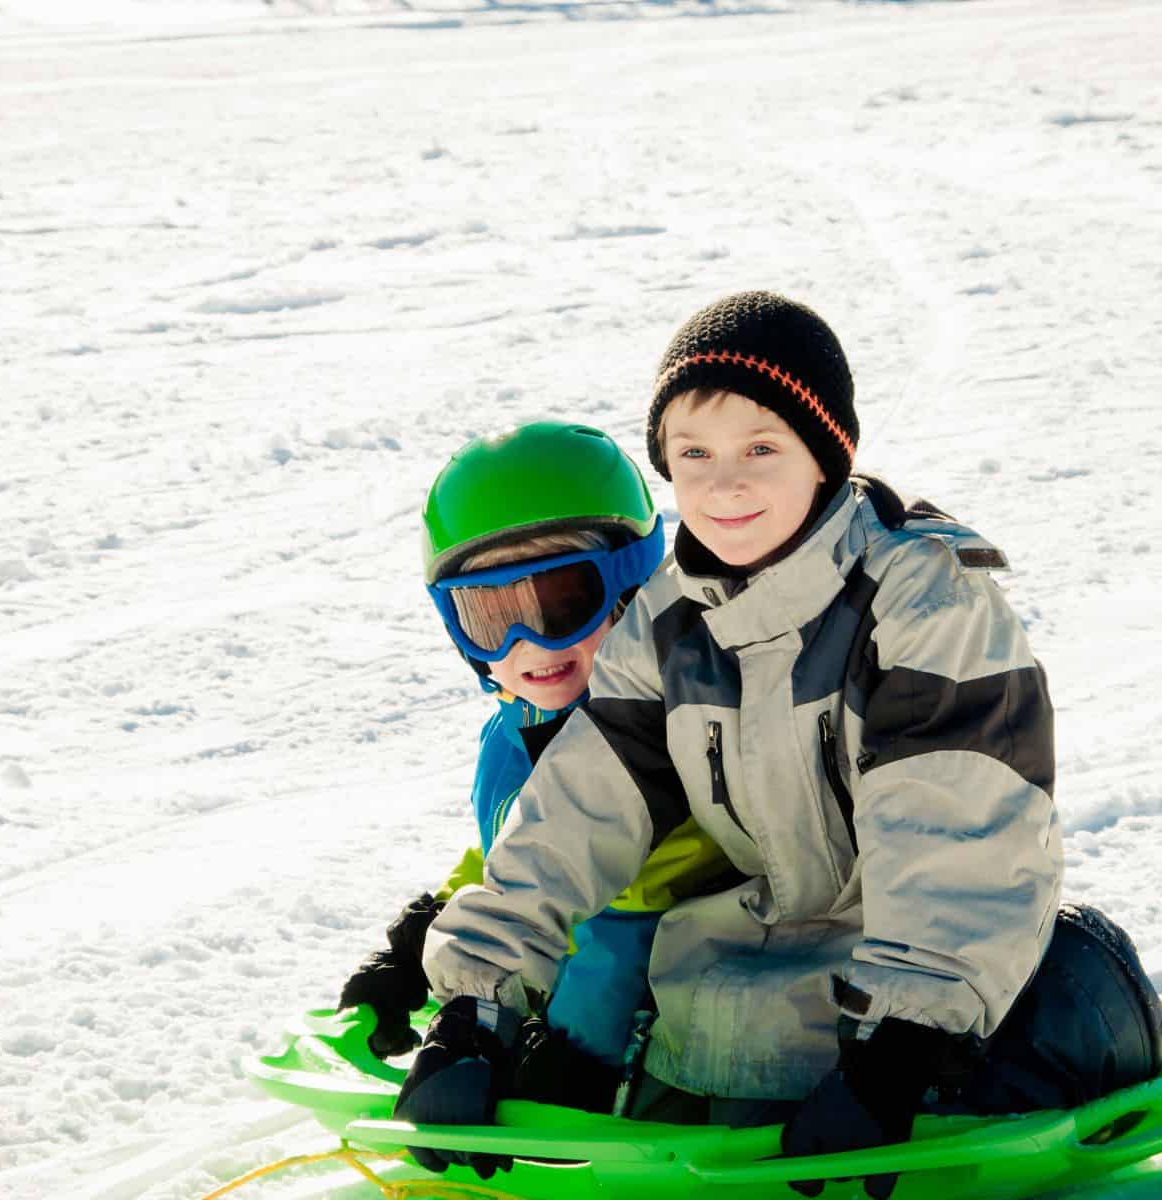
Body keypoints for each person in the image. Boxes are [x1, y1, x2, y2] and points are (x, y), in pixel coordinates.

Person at [393, 293, 1161, 1197]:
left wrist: (900, 1046)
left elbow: (956, 828)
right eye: (694, 455)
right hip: (765, 973)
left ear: (825, 452)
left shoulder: (917, 598)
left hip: (952, 993)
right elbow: (574, 813)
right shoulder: (671, 622)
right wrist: (475, 1006)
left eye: (761, 447)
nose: (725, 485)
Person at [337, 420, 732, 1120]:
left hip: (689, 1027)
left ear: (632, 588)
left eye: (560, 603)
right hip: (554, 988)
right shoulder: (514, 729)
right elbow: (518, 852)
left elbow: (641, 911)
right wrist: (427, 934)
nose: (530, 642)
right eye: (492, 617)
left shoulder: (678, 724)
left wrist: (573, 1056)